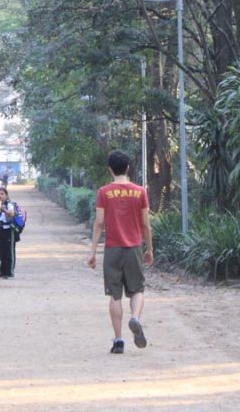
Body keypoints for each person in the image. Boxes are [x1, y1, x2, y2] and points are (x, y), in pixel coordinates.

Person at [87, 150, 153, 354]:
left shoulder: (104, 192)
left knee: (114, 296)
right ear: (128, 168)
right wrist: (149, 248)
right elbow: (145, 224)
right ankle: (135, 317)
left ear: (110, 169)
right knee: (137, 290)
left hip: (112, 249)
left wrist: (93, 251)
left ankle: (118, 340)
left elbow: (99, 223)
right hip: (134, 248)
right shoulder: (140, 192)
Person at [0, 187, 18, 278]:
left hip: (9, 230)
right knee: (1, 251)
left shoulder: (9, 204)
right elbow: (0, 217)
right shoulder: (0, 205)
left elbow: (12, 214)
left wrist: (5, 210)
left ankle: (9, 272)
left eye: (2, 194)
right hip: (1, 229)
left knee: (9, 251)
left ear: (7, 195)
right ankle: (2, 271)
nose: (0, 196)